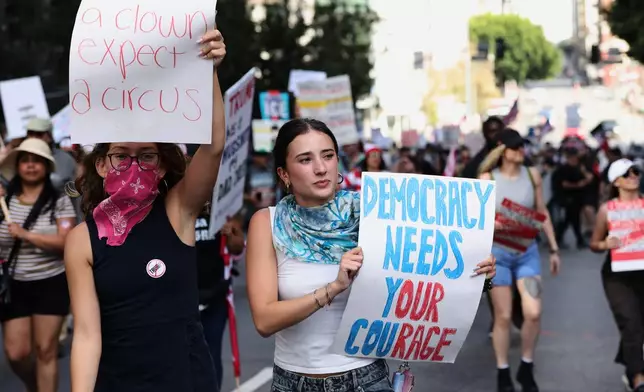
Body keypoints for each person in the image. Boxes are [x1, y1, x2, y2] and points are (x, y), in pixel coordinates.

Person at [246, 118, 497, 391]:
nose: (320, 168)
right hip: (293, 383)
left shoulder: (375, 213)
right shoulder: (267, 223)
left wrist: (477, 275)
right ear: (284, 174)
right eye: (305, 160)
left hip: (365, 380)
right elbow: (264, 319)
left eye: (328, 156)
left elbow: (427, 280)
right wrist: (334, 287)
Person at [64, 28, 226, 391]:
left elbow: (213, 148)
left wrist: (210, 71)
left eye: (147, 156)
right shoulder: (81, 241)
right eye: (122, 156)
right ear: (102, 165)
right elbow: (87, 337)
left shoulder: (178, 212)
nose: (134, 167)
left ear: (164, 166)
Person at [478, 129, 561, 392]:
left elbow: (541, 210)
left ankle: (526, 365)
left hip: (527, 251)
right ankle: (503, 371)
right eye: (515, 146)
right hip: (497, 255)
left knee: (533, 312)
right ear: (502, 149)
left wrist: (555, 247)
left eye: (522, 146)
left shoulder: (531, 174)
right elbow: (476, 220)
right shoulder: (487, 178)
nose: (521, 151)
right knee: (502, 317)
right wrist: (494, 224)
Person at [0, 138, 77, 392]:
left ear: (46, 166)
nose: (31, 166)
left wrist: (26, 235)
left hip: (51, 282)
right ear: (17, 165)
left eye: (37, 161)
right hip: (14, 285)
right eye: (25, 160)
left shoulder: (59, 200)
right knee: (17, 353)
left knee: (46, 351)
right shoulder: (5, 201)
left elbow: (67, 242)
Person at [590, 159, 644, 392]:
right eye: (627, 173)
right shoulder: (606, 210)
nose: (634, 176)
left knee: (639, 323)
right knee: (631, 322)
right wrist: (606, 243)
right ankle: (638, 376)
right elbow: (593, 243)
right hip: (617, 275)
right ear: (616, 181)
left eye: (636, 171)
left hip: (642, 271)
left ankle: (630, 366)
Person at [196, 205, 245, 390]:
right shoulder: (181, 207)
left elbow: (237, 252)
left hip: (216, 296)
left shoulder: (222, 211)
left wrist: (233, 236)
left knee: (211, 352)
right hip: (184, 297)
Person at [22, 118, 77, 192]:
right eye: (31, 133)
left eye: (39, 134)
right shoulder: (20, 159)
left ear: (50, 136)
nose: (34, 138)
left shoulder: (65, 159)